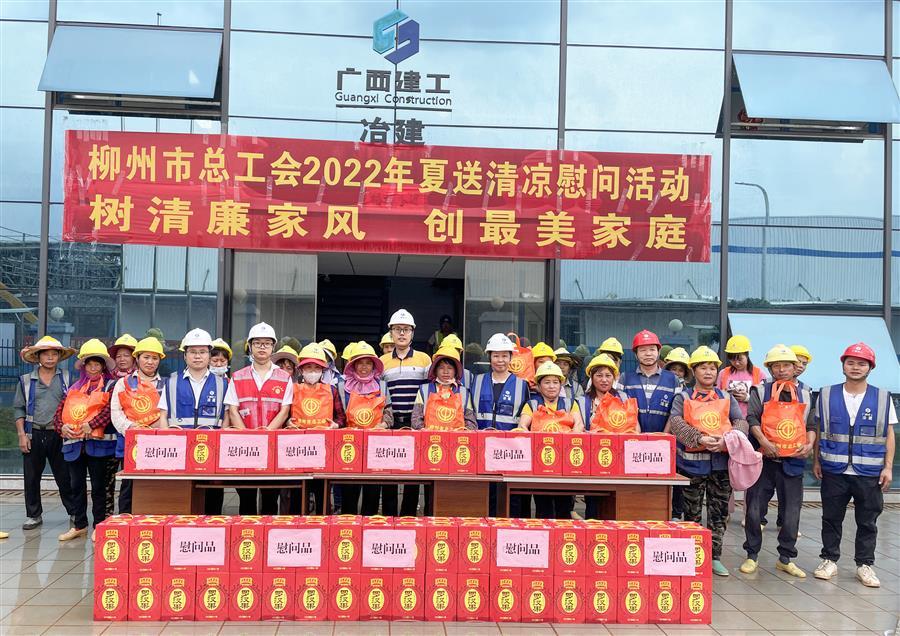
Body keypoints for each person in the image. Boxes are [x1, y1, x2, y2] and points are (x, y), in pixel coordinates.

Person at [813, 343, 895, 588]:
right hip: (834, 469)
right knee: (831, 518)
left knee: (868, 521)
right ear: (843, 365)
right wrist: (816, 460)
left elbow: (889, 434)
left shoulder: (882, 397)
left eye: (861, 363)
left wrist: (888, 467)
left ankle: (865, 565)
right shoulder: (826, 394)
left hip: (869, 472)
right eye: (851, 362)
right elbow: (819, 429)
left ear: (870, 368)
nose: (856, 367)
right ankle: (829, 560)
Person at [667, 346, 748, 577]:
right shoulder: (683, 397)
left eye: (713, 368)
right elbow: (676, 423)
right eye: (703, 367)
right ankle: (692, 557)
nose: (709, 372)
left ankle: (714, 557)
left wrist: (726, 441)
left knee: (718, 514)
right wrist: (699, 438)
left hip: (720, 465)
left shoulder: (726, 397)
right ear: (694, 370)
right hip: (691, 466)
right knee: (691, 514)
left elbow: (740, 422)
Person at [740, 345, 815, 578]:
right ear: (770, 368)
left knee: (792, 512)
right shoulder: (761, 390)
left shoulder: (806, 393)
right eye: (776, 366)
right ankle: (751, 555)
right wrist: (764, 441)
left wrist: (809, 445)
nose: (781, 370)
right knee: (754, 509)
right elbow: (752, 417)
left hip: (793, 462)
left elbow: (812, 424)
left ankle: (786, 558)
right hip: (764, 461)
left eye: (786, 365)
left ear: (795, 367)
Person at [225, 322, 293, 515]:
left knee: (270, 498)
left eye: (267, 343)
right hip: (244, 448)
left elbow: (284, 411)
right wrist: (248, 438)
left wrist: (267, 435)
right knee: (246, 498)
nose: (262, 347)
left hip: (273, 447)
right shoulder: (237, 377)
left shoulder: (284, 377)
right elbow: (233, 410)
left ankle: (268, 534)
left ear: (273, 347)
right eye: (257, 343)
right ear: (250, 346)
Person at [158, 328, 228, 514]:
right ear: (185, 355)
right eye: (193, 352)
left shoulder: (222, 383)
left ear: (209, 355)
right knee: (182, 504)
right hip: (179, 453)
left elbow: (227, 417)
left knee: (212, 505)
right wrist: (168, 447)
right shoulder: (171, 382)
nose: (198, 356)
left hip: (212, 453)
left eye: (202, 352)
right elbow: (163, 416)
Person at [14, 336, 77, 531]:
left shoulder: (67, 378)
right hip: (33, 433)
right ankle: (34, 515)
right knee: (31, 477)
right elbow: (18, 409)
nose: (50, 358)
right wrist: (21, 435)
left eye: (54, 354)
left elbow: (75, 405)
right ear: (38, 357)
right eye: (46, 354)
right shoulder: (26, 380)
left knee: (65, 476)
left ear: (59, 357)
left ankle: (74, 511)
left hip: (59, 434)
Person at [56, 339, 116, 541]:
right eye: (89, 364)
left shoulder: (111, 386)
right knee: (76, 486)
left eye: (97, 364)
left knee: (99, 487)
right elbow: (59, 413)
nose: (93, 368)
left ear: (103, 366)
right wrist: (61, 427)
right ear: (83, 366)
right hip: (75, 446)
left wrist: (92, 424)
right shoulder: (74, 387)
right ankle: (79, 525)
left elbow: (110, 411)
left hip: (98, 446)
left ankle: (99, 525)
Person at [278, 342, 345, 514]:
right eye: (308, 367)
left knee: (322, 494)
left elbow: (341, 417)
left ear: (323, 370)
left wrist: (336, 425)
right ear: (301, 369)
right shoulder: (292, 389)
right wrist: (287, 423)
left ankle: (322, 527)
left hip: (323, 450)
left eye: (317, 368)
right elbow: (283, 415)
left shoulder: (331, 390)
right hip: (297, 450)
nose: (313, 371)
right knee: (297, 495)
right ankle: (297, 527)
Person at [472, 333, 530, 516]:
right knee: (485, 496)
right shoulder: (476, 381)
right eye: (496, 355)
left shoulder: (522, 385)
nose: (500, 360)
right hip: (481, 448)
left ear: (511, 358)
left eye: (504, 356)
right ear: (489, 357)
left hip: (510, 450)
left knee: (510, 498)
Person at [381, 309, 432, 516]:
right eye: (397, 329)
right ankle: (390, 516)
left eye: (406, 329)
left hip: (415, 423)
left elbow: (430, 393)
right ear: (391, 333)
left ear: (412, 333)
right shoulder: (382, 362)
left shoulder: (424, 360)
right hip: (391, 423)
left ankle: (409, 516)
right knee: (388, 470)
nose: (402, 333)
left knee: (413, 471)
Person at [520, 361, 584, 519]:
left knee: (564, 509)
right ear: (539, 385)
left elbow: (579, 424)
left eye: (555, 382)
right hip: (541, 464)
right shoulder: (532, 404)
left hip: (565, 465)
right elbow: (522, 425)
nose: (551, 386)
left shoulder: (570, 403)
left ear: (561, 385)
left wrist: (569, 441)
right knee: (543, 509)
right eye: (547, 382)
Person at [110, 337, 167, 514]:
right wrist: (132, 428)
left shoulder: (166, 384)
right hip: (130, 443)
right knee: (129, 485)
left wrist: (156, 429)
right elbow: (116, 412)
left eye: (155, 358)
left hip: (159, 444)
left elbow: (169, 413)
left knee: (157, 486)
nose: (150, 362)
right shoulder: (124, 383)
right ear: (137, 358)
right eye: (146, 357)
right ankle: (126, 520)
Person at [339, 342, 394, 515]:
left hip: (375, 445)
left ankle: (369, 526)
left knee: (372, 490)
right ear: (353, 365)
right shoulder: (342, 386)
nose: (364, 367)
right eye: (360, 363)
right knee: (349, 490)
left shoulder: (382, 386)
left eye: (368, 363)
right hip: (349, 445)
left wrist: (383, 425)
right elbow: (337, 414)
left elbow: (389, 413)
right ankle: (348, 526)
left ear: (373, 366)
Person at [580, 353, 634, 519]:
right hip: (591, 460)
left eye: (608, 375)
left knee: (614, 502)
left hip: (618, 459)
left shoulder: (623, 398)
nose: (604, 380)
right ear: (591, 377)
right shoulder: (581, 401)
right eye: (599, 375)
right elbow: (579, 428)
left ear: (614, 377)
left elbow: (633, 425)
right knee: (592, 503)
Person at [620, 330, 680, 433]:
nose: (648, 354)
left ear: (658, 352)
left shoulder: (673, 379)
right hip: (632, 438)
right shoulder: (625, 378)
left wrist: (664, 436)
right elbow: (620, 410)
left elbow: (676, 412)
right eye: (642, 350)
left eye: (652, 349)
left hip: (664, 439)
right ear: (636, 354)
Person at [412, 347, 477, 431]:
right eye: (441, 368)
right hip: (429, 438)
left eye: (450, 368)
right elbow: (416, 419)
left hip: (457, 438)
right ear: (435, 370)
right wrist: (423, 430)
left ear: (455, 371)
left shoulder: (464, 392)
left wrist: (462, 433)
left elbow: (471, 422)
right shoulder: (424, 390)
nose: (445, 372)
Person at [717, 335, 765, 419]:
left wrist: (747, 398)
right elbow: (716, 396)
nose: (736, 363)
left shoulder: (759, 374)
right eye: (733, 360)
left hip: (751, 420)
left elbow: (764, 401)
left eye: (740, 359)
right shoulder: (723, 373)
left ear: (747, 355)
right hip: (727, 420)